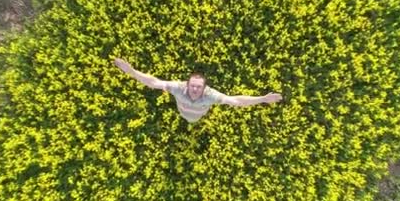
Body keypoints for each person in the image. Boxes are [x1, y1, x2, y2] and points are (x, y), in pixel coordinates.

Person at [114, 57, 283, 123]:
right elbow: (153, 82)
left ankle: (194, 121)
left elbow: (236, 101)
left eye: (199, 87)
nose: (195, 89)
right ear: (187, 84)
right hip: (182, 112)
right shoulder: (177, 88)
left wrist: (262, 99)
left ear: (204, 88)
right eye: (193, 85)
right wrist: (131, 71)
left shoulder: (211, 96)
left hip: (199, 116)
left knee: (195, 121)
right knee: (186, 117)